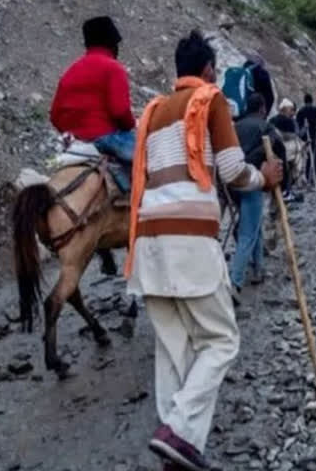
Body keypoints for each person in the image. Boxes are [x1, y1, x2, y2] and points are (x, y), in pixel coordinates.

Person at [125, 30, 282, 471]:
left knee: (172, 348)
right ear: (210, 70)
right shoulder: (210, 100)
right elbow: (232, 170)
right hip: (189, 239)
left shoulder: (153, 112)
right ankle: (180, 433)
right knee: (221, 339)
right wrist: (264, 176)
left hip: (148, 241)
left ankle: (173, 448)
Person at [51, 16, 136, 164]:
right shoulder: (113, 68)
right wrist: (131, 124)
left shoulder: (70, 71)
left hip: (73, 144)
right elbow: (120, 111)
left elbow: (55, 116)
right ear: (113, 44)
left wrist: (75, 130)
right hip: (105, 139)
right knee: (148, 161)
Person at [231, 93, 280, 292]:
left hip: (233, 182)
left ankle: (259, 268)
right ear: (261, 109)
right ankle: (235, 282)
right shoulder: (264, 125)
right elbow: (275, 142)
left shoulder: (235, 126)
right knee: (247, 234)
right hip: (253, 181)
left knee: (254, 225)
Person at [296, 93, 316, 183]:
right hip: (313, 136)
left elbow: (297, 126)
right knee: (313, 156)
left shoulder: (300, 111)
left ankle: (306, 176)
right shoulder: (315, 109)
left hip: (303, 138)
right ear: (311, 101)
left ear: (304, 101)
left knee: (306, 157)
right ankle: (313, 177)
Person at [244, 55, 274, 119]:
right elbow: (270, 97)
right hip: (254, 113)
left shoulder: (241, 72)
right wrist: (265, 115)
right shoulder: (262, 74)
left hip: (237, 110)